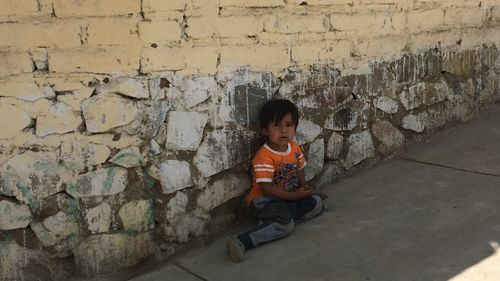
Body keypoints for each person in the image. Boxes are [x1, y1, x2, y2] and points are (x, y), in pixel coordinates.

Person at [226, 99, 328, 262]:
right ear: (265, 130)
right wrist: (296, 196)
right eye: (276, 125)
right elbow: (267, 189)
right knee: (286, 226)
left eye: (288, 125)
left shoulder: (294, 148)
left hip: (288, 198)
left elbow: (299, 170)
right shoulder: (264, 156)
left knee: (316, 204)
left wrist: (306, 191)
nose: (283, 130)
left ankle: (274, 220)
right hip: (265, 200)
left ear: (295, 127)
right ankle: (242, 241)